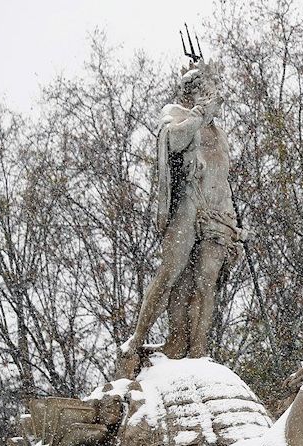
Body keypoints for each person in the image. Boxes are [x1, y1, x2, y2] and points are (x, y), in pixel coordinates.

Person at [118, 58, 247, 377]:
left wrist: (234, 226)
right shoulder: (175, 113)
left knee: (205, 281)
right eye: (207, 91)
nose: (213, 97)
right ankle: (138, 337)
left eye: (214, 92)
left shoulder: (219, 132)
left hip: (218, 214)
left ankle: (198, 350)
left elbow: (222, 177)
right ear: (193, 93)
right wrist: (199, 115)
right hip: (188, 205)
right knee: (172, 270)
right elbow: (172, 140)